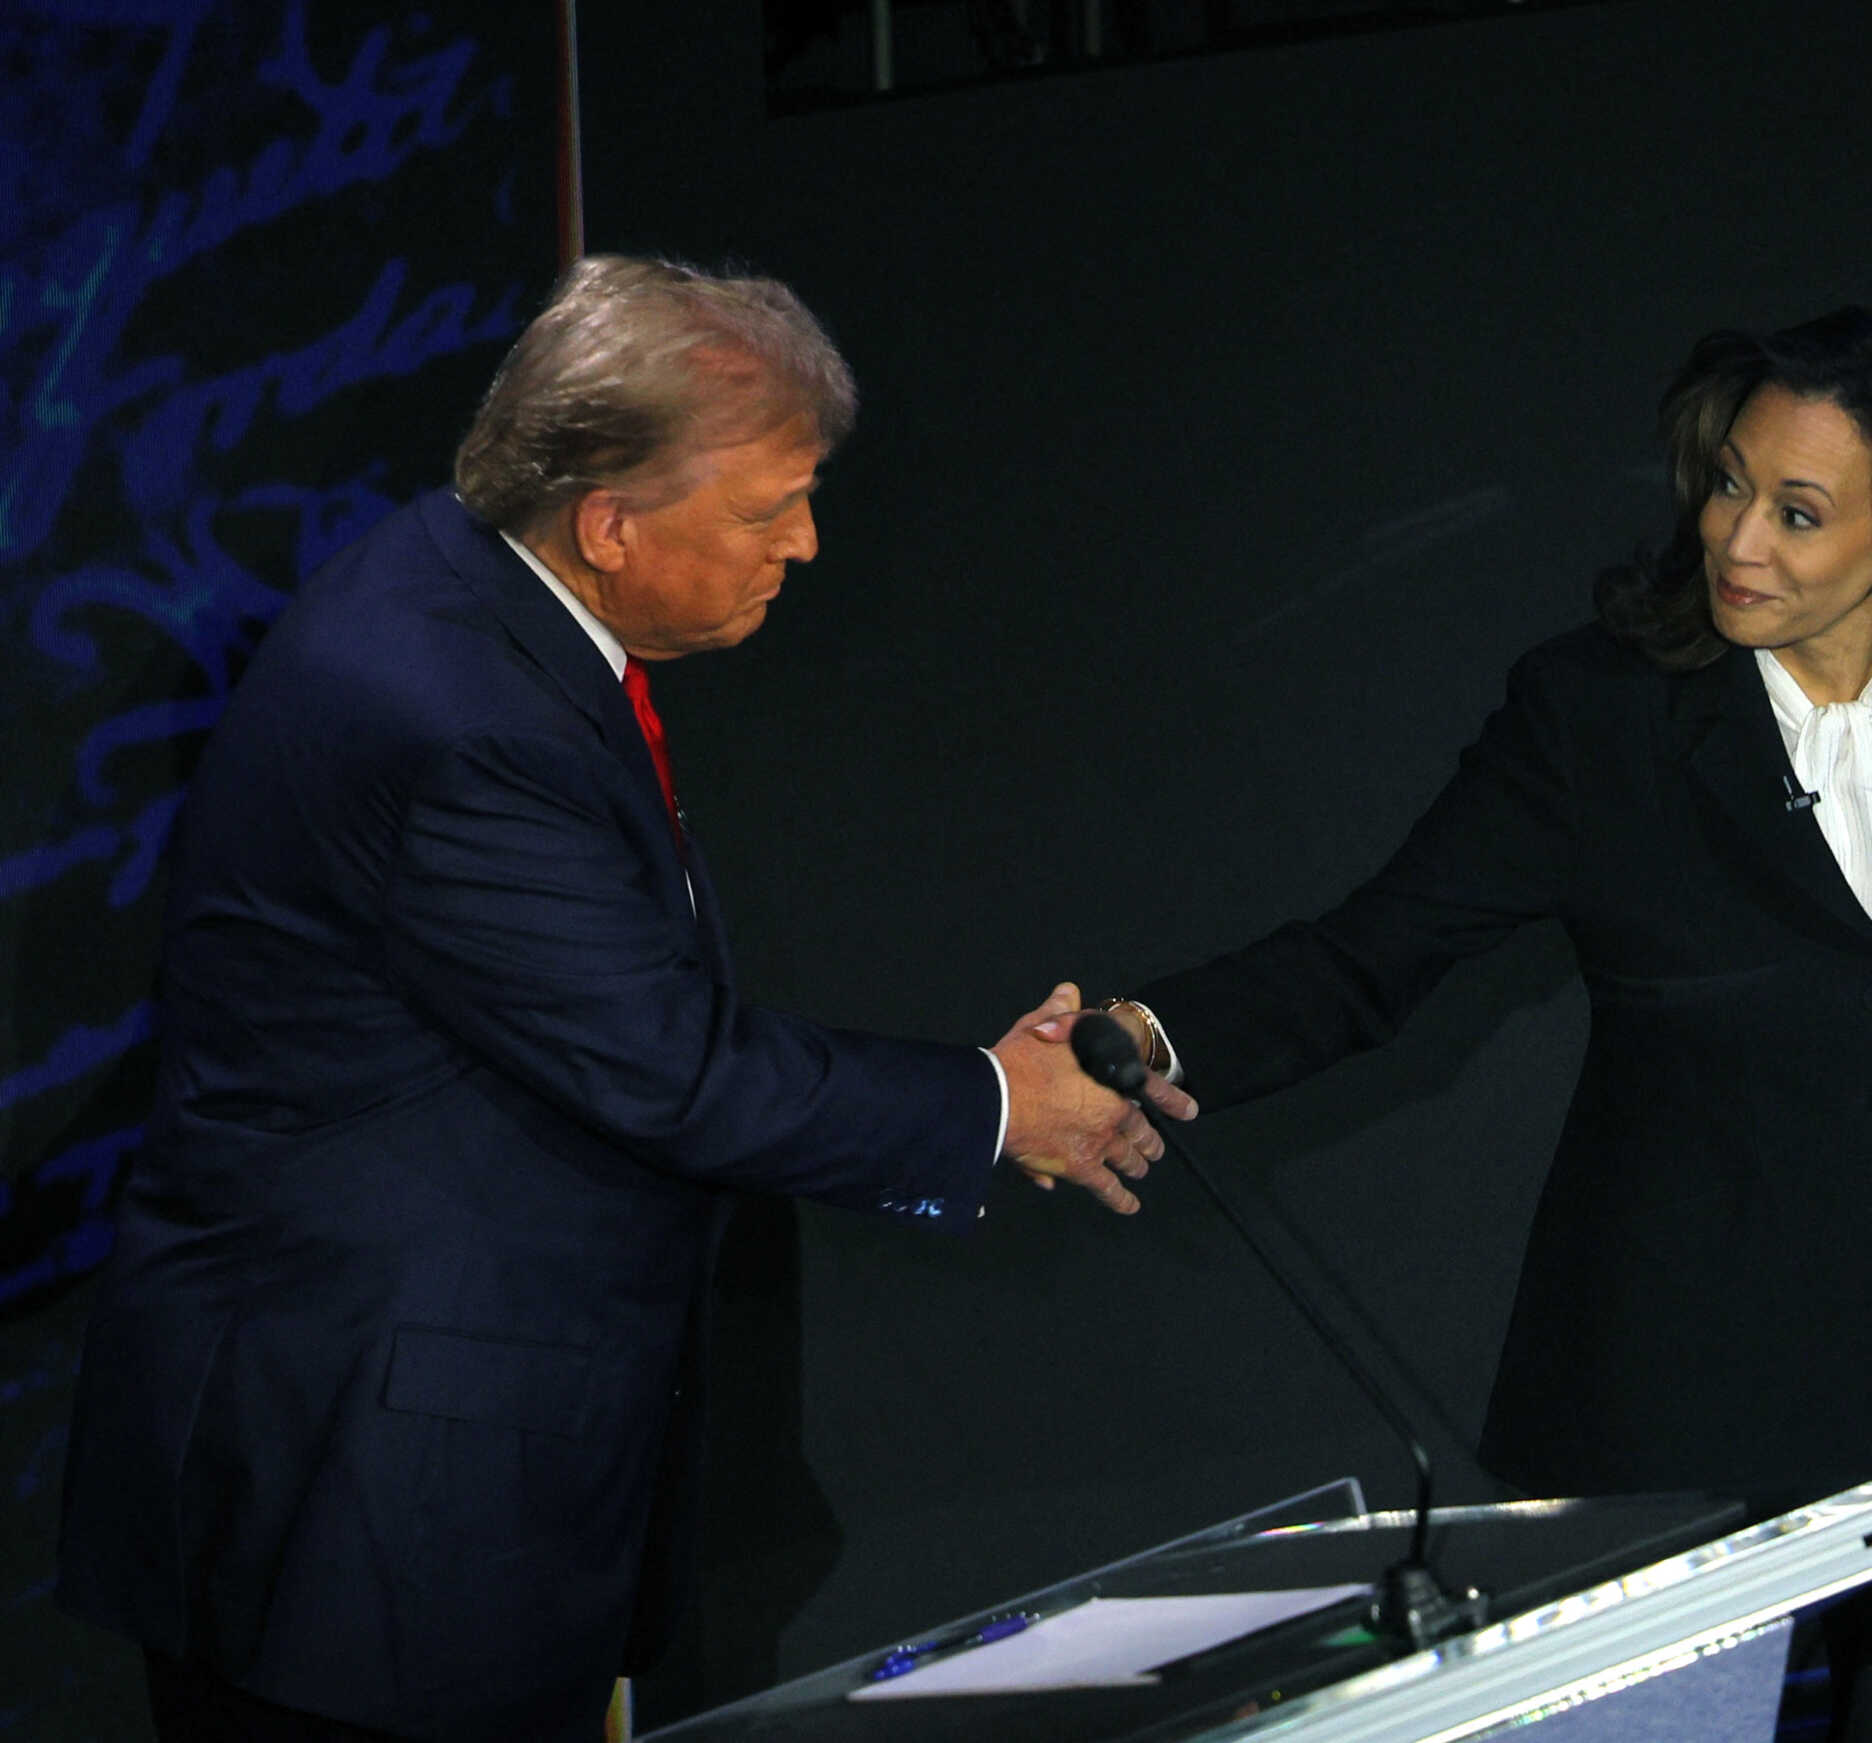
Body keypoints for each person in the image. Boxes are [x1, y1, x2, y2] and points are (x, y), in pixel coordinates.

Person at [55, 255, 1192, 1742]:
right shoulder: (457, 717)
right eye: (765, 509)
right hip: (366, 1510)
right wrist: (995, 1103)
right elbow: (674, 1070)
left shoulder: (470, 597)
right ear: (608, 521)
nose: (805, 545)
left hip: (399, 1468)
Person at [1103, 308, 1872, 1740]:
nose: (1734, 541)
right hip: (1675, 1395)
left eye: (1798, 513)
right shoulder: (1596, 717)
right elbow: (1375, 954)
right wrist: (1149, 1033)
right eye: (1728, 483)